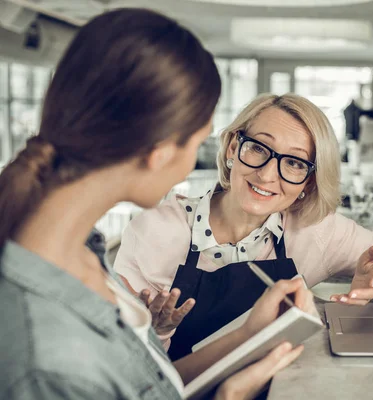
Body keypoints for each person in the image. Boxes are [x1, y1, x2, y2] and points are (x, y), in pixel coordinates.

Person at [0, 9, 315, 400]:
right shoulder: (45, 360)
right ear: (160, 152)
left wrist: (250, 333)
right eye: (197, 141)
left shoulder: (79, 251)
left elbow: (149, 387)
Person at [114, 93, 373, 361]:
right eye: (258, 148)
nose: (268, 176)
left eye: (294, 163)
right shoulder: (154, 231)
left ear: (309, 182)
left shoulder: (315, 233)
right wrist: (158, 331)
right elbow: (124, 367)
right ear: (232, 149)